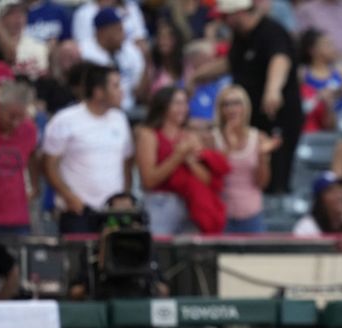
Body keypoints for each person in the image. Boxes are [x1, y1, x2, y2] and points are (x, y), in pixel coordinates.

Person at [210, 0, 303, 194]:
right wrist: (198, 77)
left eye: (228, 16)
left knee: (276, 172)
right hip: (253, 117)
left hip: (276, 115)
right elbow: (231, 63)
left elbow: (280, 60)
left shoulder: (271, 31)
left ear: (241, 13)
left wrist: (273, 89)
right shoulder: (240, 36)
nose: (226, 21)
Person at [43, 64, 133, 234]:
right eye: (115, 86)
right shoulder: (65, 119)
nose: (121, 91)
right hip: (77, 210)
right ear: (98, 91)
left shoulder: (120, 120)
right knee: (79, 260)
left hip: (113, 211)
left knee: (115, 259)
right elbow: (48, 164)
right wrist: (69, 197)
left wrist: (125, 195)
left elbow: (127, 163)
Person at [135, 86, 222, 235]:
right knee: (160, 252)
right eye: (178, 103)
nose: (184, 108)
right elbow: (148, 181)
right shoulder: (149, 135)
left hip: (190, 204)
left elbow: (207, 181)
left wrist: (191, 162)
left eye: (185, 103)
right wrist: (178, 157)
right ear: (163, 105)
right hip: (160, 203)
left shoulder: (190, 136)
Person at [213, 84, 281, 233]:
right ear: (220, 109)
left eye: (237, 103)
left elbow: (262, 183)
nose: (231, 108)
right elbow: (212, 177)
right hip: (221, 215)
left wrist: (263, 156)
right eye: (226, 104)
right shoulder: (212, 138)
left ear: (245, 107)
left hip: (252, 215)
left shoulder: (258, 137)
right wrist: (228, 148)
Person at [0, 80, 39, 236]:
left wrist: (34, 186)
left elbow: (33, 157)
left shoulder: (28, 130)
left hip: (17, 215)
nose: (15, 123)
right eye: (11, 116)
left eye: (20, 117)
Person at [78, 7, 145, 112]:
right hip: (99, 112)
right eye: (118, 29)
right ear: (103, 32)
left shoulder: (130, 51)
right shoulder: (84, 53)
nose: (123, 34)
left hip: (131, 110)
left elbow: (139, 91)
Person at [297, 28, 342, 133]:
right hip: (318, 125)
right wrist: (320, 96)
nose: (332, 48)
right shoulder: (303, 74)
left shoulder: (341, 71)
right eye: (327, 45)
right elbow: (301, 103)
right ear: (312, 50)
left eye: (332, 44)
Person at [292, 171, 342, 236]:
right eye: (332, 191)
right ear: (320, 200)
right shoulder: (307, 227)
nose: (339, 196)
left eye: (341, 189)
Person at [0, 0, 48, 79]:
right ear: (0, 19)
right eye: (11, 13)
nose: (18, 17)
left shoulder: (38, 46)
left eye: (22, 12)